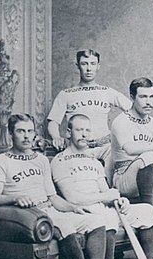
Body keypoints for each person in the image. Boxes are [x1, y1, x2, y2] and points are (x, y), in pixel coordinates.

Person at [0, 113, 113, 259]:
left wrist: (72, 207)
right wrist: (15, 198)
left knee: (95, 220)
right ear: (11, 133)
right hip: (24, 214)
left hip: (49, 210)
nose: (26, 136)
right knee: (65, 225)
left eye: (30, 131)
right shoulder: (1, 161)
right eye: (21, 131)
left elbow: (52, 197)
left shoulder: (41, 160)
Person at [51, 114, 153, 259]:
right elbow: (72, 198)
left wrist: (118, 199)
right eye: (79, 130)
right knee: (107, 216)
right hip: (85, 210)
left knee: (147, 211)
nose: (84, 134)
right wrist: (106, 197)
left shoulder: (94, 161)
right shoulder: (60, 160)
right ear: (68, 132)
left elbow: (106, 190)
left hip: (103, 205)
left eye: (87, 130)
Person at [47, 49, 132, 182]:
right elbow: (53, 121)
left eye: (92, 64)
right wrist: (56, 137)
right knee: (87, 182)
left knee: (115, 175)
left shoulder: (106, 91)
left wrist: (120, 134)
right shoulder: (66, 94)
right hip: (80, 147)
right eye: (84, 64)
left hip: (105, 147)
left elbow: (133, 112)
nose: (88, 68)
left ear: (98, 66)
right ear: (77, 66)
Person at [111, 77, 153, 213]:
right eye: (143, 97)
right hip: (123, 177)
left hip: (147, 176)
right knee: (148, 156)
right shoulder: (121, 121)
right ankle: (148, 214)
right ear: (132, 97)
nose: (148, 102)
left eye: (151, 96)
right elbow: (130, 149)